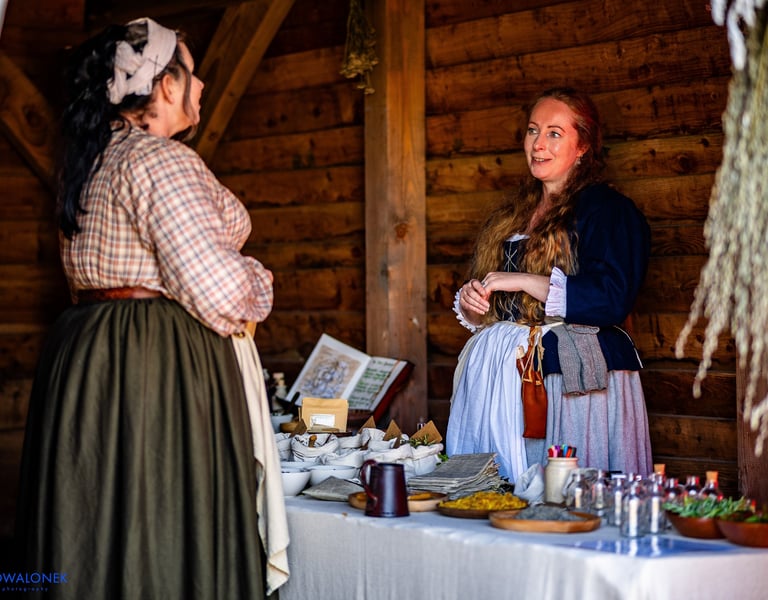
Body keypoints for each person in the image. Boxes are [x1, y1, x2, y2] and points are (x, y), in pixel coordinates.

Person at [14, 17, 287, 599]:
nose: (204, 87)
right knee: (158, 516)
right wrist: (261, 280)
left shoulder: (89, 162)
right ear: (165, 86)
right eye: (193, 74)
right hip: (151, 368)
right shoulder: (159, 162)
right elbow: (220, 294)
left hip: (84, 359)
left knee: (94, 522)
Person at [447, 87, 652, 483]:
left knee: (560, 490)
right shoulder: (511, 215)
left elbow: (611, 297)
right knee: (495, 490)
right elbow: (498, 300)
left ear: (583, 146)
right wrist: (474, 303)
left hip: (569, 380)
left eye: (554, 133)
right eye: (532, 131)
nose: (538, 144)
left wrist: (523, 279)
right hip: (498, 377)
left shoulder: (608, 212)